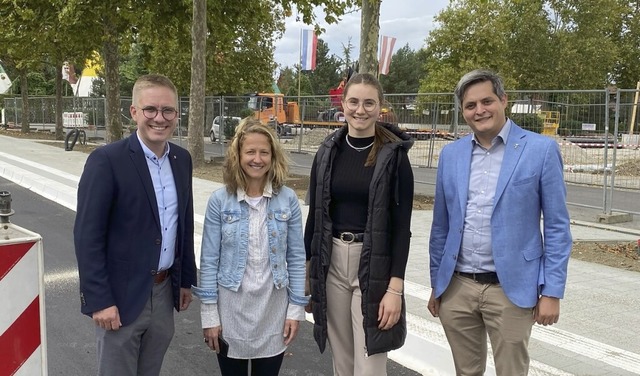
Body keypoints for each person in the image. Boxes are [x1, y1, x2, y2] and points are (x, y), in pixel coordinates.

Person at [427, 69, 572, 376]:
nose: (479, 110)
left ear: (504, 100)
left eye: (487, 101)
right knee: (466, 372)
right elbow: (441, 227)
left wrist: (552, 291)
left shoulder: (540, 150)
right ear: (463, 111)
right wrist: (437, 284)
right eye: (470, 105)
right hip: (458, 287)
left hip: (512, 290)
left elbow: (558, 227)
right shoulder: (451, 155)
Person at [74, 74, 196, 375]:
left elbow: (183, 224)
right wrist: (99, 301)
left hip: (164, 292)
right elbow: (87, 236)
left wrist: (184, 280)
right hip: (121, 298)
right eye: (150, 110)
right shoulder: (106, 161)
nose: (159, 118)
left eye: (168, 111)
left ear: (177, 115)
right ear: (134, 112)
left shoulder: (182, 159)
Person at [305, 72, 414, 376]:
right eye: (353, 101)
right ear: (343, 103)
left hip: (374, 262)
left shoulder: (395, 157)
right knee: (342, 357)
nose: (360, 110)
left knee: (369, 362)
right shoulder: (327, 152)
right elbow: (315, 216)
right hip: (333, 260)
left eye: (369, 103)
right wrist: (307, 269)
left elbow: (402, 228)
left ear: (381, 107)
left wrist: (396, 288)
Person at [193, 118, 308, 376]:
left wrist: (295, 310)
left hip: (273, 310)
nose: (257, 159)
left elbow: (297, 258)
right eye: (250, 152)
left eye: (264, 152)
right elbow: (209, 260)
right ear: (238, 155)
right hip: (230, 309)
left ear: (273, 156)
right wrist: (209, 316)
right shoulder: (219, 201)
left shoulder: (287, 199)